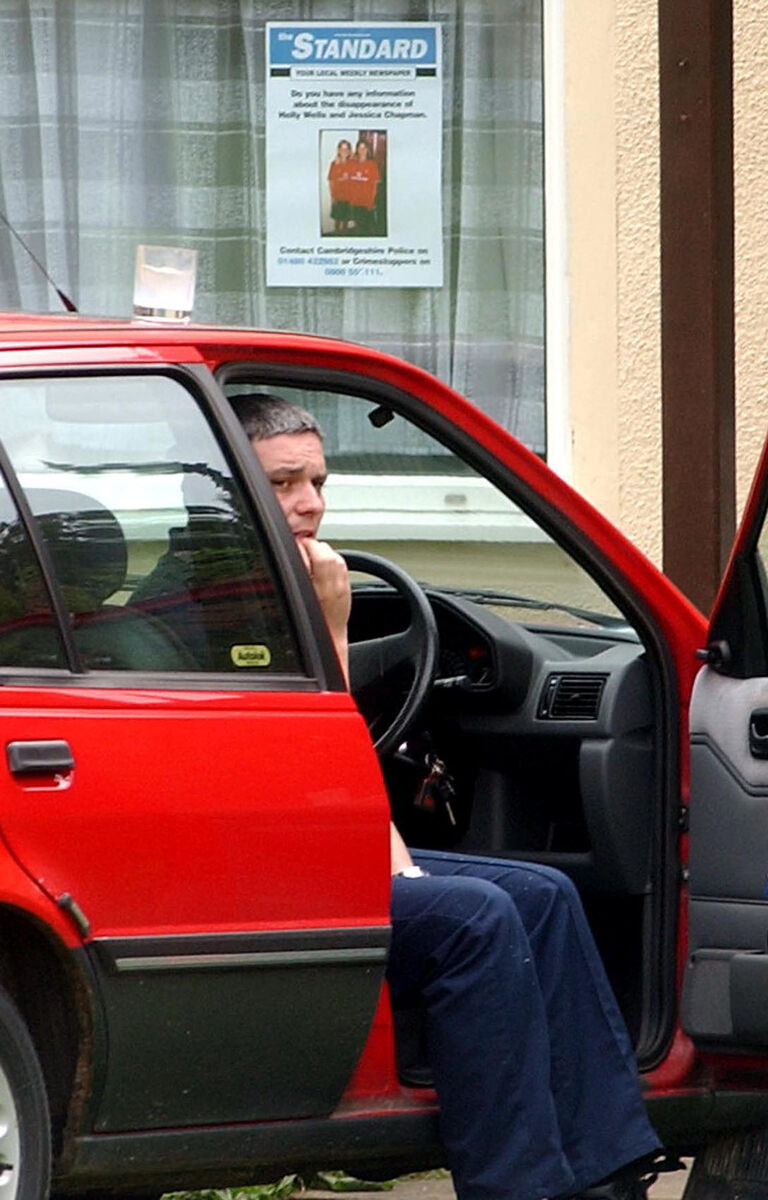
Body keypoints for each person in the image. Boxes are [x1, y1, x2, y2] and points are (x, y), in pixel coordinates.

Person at [229, 393, 671, 1200]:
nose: (311, 504)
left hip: (318, 849)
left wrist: (393, 858)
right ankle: (519, 1187)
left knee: (544, 894)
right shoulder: (230, 602)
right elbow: (324, 771)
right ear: (231, 487)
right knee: (476, 916)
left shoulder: (286, 578)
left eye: (319, 481)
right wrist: (332, 628)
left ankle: (607, 1177)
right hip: (252, 875)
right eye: (284, 483)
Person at [347, 139, 380, 235]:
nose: (362, 151)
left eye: (364, 148)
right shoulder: (352, 163)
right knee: (358, 227)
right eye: (359, 148)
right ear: (356, 149)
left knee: (369, 227)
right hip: (355, 201)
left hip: (367, 202)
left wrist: (372, 201)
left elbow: (375, 186)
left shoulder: (372, 165)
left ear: (367, 150)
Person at [327, 139, 352, 235]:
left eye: (346, 149)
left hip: (348, 197)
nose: (344, 152)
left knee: (345, 221)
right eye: (341, 149)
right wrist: (332, 196)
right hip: (337, 197)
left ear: (349, 151)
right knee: (337, 221)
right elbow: (331, 181)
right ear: (338, 150)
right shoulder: (334, 164)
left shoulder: (352, 163)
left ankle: (344, 238)